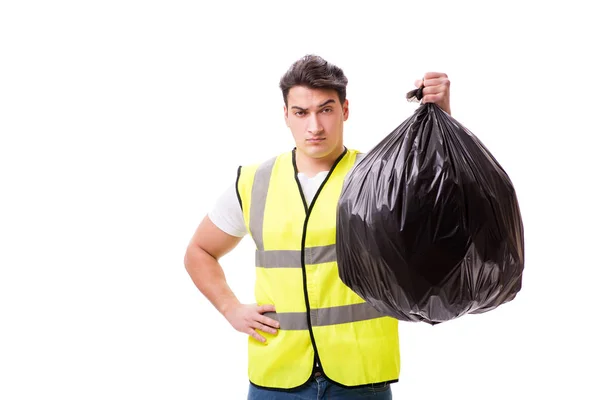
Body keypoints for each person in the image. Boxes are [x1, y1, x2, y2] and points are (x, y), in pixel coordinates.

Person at [184, 54, 451, 399]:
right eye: (301, 112)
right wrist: (230, 308)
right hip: (277, 378)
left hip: (360, 378)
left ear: (345, 110)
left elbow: (444, 211)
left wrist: (441, 118)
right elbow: (199, 251)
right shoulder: (254, 182)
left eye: (325, 110)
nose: (314, 126)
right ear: (286, 115)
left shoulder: (379, 177)